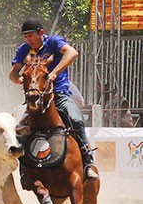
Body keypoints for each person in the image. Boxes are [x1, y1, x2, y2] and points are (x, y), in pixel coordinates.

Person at [9, 17, 99, 182]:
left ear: (41, 33)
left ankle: (88, 162)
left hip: (59, 94)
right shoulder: (23, 50)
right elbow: (13, 74)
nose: (28, 40)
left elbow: (72, 52)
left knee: (76, 120)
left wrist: (54, 73)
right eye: (25, 36)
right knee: (20, 129)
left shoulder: (54, 42)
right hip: (35, 99)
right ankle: (24, 170)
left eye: (31, 36)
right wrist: (21, 79)